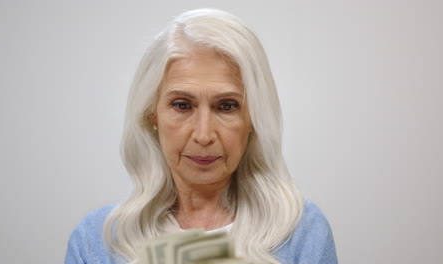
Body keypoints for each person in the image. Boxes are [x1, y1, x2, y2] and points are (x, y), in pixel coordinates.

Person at [65, 8, 338, 264]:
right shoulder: (97, 242)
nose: (204, 135)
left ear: (254, 117)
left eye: (227, 106)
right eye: (182, 105)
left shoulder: (301, 234)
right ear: (152, 114)